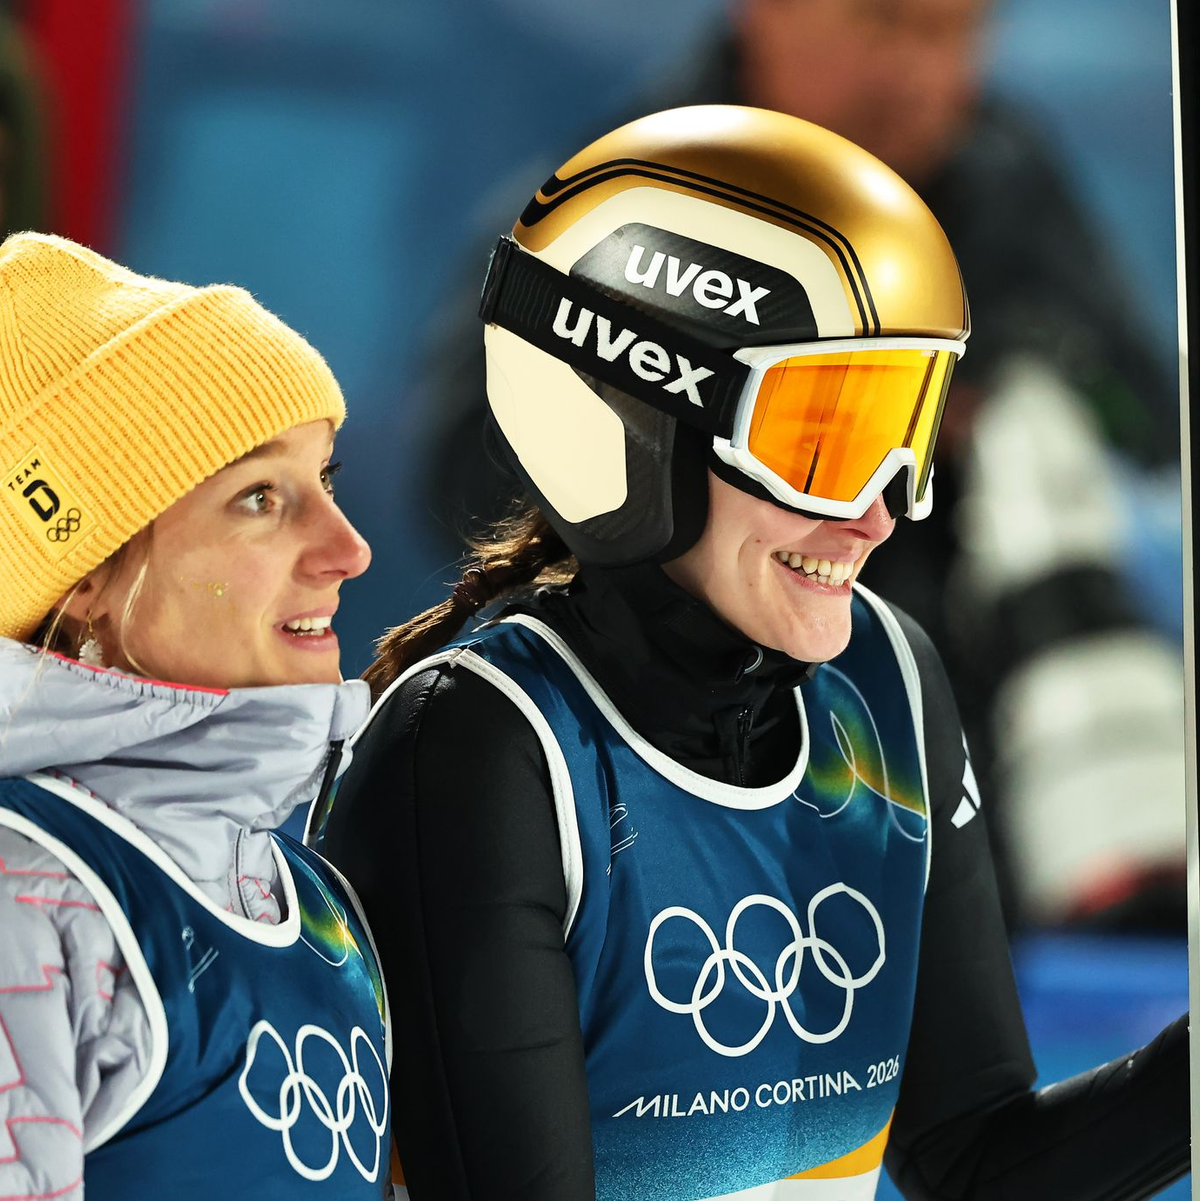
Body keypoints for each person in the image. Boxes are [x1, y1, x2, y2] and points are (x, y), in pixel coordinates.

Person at [315, 108, 1188, 1201]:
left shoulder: (888, 681)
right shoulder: (484, 751)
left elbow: (974, 1163)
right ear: (634, 419)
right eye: (824, 441)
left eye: (902, 432)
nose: (877, 516)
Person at [416, 0, 1185, 928]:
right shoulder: (633, 199)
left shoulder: (1006, 179)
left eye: (959, 36)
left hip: (960, 786)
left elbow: (1147, 416)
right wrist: (723, 449)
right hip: (678, 789)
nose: (924, 76)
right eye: (889, 24)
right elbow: (470, 470)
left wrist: (1033, 383)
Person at [0, 232, 391, 1199]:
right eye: (260, 496)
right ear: (85, 572)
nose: (349, 548)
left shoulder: (304, 893)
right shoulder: (25, 896)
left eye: (326, 479)